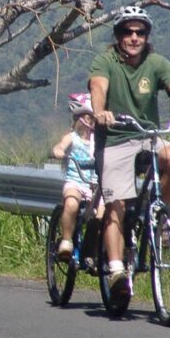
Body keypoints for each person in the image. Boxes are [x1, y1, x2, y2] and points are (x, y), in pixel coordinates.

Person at [89, 5, 170, 299]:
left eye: (140, 32)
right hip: (116, 140)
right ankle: (118, 269)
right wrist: (100, 111)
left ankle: (157, 219)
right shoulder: (105, 61)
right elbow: (98, 86)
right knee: (116, 204)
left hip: (147, 137)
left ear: (147, 35)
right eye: (128, 32)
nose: (134, 37)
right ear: (118, 35)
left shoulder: (155, 63)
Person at [50, 92, 101, 263]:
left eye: (92, 119)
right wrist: (59, 151)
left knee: (102, 214)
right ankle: (66, 240)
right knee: (71, 203)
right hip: (75, 181)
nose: (89, 123)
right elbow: (60, 146)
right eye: (86, 119)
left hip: (95, 185)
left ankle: (94, 251)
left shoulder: (99, 141)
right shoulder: (72, 137)